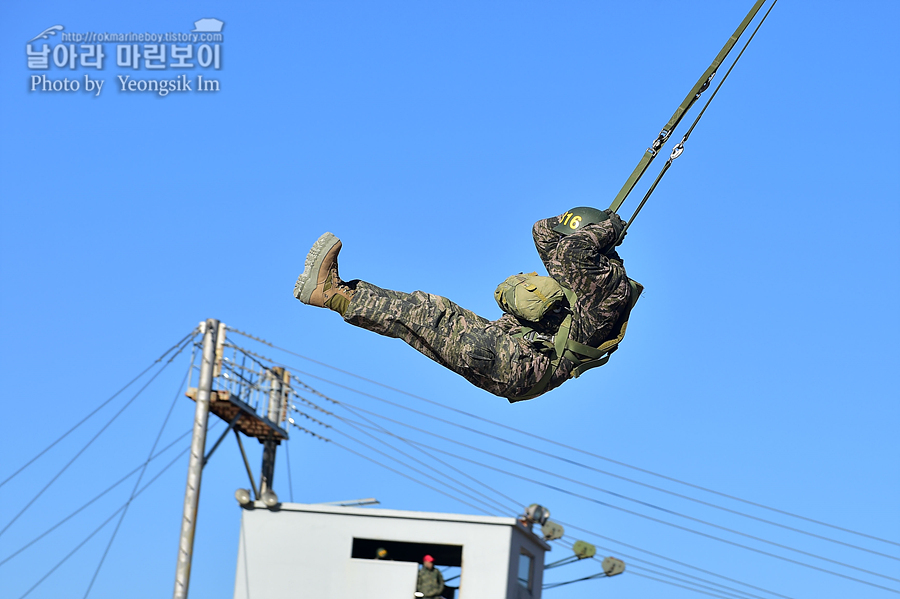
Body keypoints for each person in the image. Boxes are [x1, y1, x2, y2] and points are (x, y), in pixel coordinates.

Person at [293, 208, 639, 402]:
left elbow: (570, 250)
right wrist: (582, 221)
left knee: (430, 318)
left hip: (523, 365)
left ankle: (332, 294)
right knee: (428, 308)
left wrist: (607, 227)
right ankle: (336, 294)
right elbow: (542, 233)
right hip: (509, 347)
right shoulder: (584, 270)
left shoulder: (608, 289)